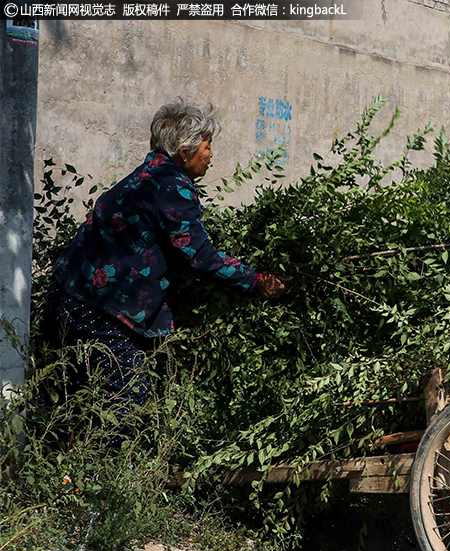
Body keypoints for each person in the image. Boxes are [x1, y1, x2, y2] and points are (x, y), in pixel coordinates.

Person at [45, 99, 286, 419]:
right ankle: (111, 469)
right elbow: (199, 255)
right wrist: (255, 280)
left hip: (67, 295)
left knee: (72, 407)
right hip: (101, 311)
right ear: (185, 151)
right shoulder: (171, 186)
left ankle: (71, 468)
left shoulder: (148, 175)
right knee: (123, 407)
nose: (211, 154)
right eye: (208, 145)